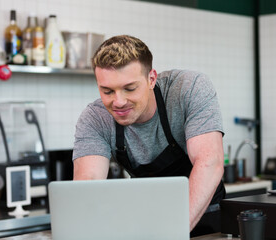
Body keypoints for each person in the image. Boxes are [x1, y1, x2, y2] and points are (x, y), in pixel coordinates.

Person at [72, 35, 225, 236]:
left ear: (151, 79)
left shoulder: (189, 88)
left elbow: (209, 163)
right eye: (107, 91)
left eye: (129, 88)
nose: (118, 102)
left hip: (204, 220)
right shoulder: (95, 118)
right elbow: (87, 186)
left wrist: (171, 233)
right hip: (144, 219)